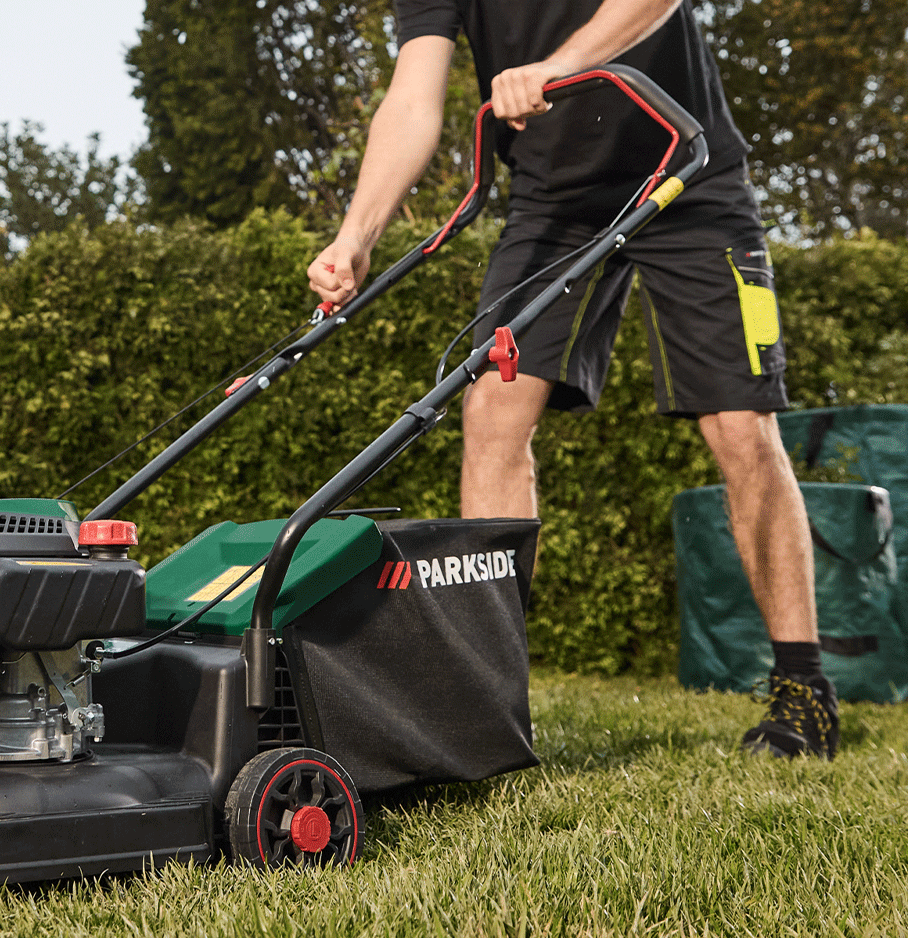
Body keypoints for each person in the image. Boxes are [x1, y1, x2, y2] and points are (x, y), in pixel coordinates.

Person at [308, 0, 838, 758]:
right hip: (553, 200)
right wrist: (355, 235)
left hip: (690, 176)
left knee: (738, 425)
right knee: (490, 413)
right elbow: (412, 98)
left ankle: (802, 689)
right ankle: (491, 695)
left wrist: (562, 65)